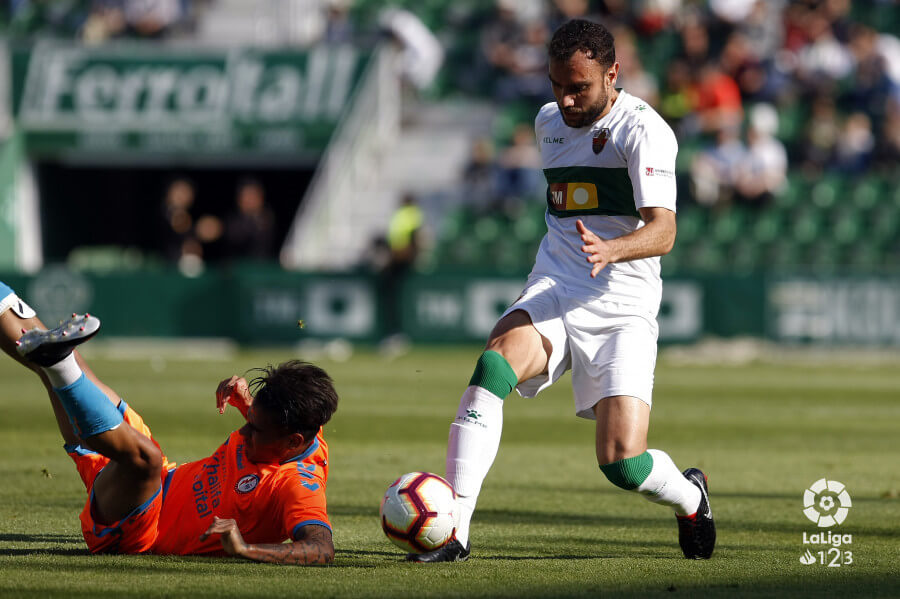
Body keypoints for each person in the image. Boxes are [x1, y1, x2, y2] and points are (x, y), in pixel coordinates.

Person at [410, 19, 715, 563]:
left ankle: (691, 498)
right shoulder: (547, 121)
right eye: (557, 85)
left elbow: (664, 230)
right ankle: (455, 528)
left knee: (622, 463)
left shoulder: (645, 131)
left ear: (612, 73)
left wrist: (613, 249)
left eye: (580, 86)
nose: (567, 99)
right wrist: (578, 258)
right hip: (557, 283)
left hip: (623, 304)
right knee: (493, 366)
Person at [0, 280, 338, 564]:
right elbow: (275, 423)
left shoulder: (297, 485)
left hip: (136, 530)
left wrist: (245, 548)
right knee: (77, 374)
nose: (245, 431)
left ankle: (59, 364)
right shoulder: (300, 425)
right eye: (249, 421)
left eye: (256, 429)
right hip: (158, 480)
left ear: (293, 441)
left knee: (141, 456)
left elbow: (321, 548)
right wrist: (249, 403)